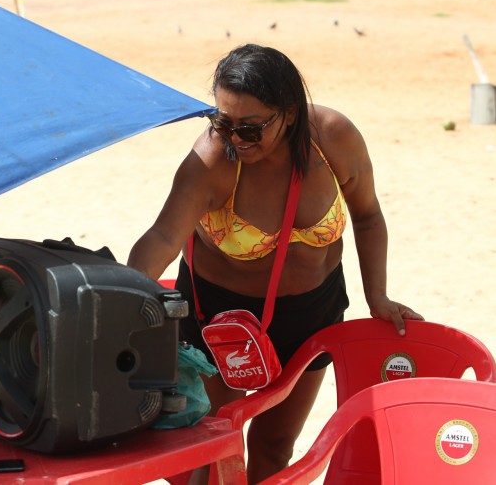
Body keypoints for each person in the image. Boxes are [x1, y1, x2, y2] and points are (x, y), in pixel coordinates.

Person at [127, 43, 423, 483]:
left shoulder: (333, 138)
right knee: (213, 451)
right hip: (219, 318)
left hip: (312, 315)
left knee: (274, 448)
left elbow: (367, 214)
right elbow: (163, 237)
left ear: (288, 113)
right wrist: (124, 297)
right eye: (223, 121)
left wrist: (375, 295)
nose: (234, 138)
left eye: (251, 128)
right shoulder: (212, 161)